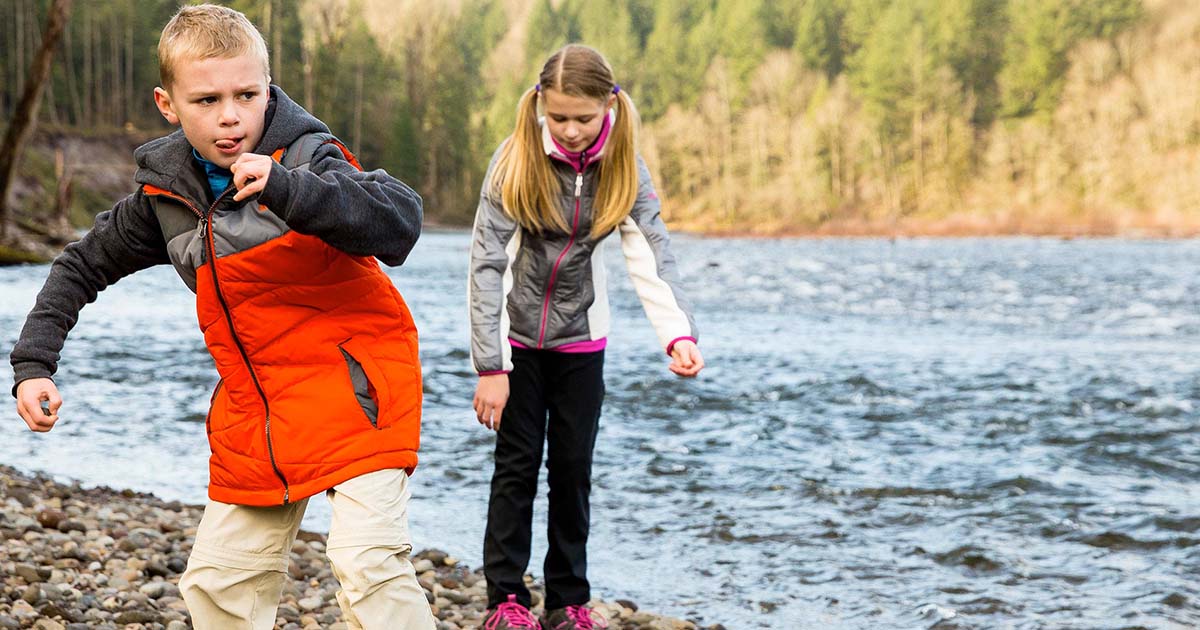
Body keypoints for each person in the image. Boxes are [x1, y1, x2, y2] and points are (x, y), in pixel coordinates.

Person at [10, 5, 434, 629]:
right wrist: (33, 364)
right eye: (207, 99)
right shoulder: (164, 199)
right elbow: (80, 265)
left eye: (247, 94)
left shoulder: (311, 157)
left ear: (268, 88)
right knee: (217, 585)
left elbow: (401, 222)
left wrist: (288, 188)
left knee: (368, 565)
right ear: (168, 104)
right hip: (257, 408)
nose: (231, 115)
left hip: (359, 389)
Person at [468, 44, 705, 630]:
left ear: (610, 107)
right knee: (516, 466)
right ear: (541, 106)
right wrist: (491, 367)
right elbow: (487, 265)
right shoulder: (515, 160)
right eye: (559, 117)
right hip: (517, 341)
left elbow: (649, 251)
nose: (571, 131)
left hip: (583, 340)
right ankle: (506, 601)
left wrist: (676, 334)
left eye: (584, 118)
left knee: (573, 469)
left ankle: (568, 599)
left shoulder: (624, 165)